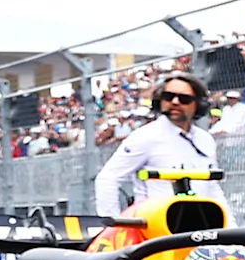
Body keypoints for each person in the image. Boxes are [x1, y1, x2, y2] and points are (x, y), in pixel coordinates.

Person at [93, 73, 219, 218]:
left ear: (199, 104)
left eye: (184, 99)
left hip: (198, 225)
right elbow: (108, 178)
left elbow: (212, 188)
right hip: (156, 229)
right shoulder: (145, 136)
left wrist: (230, 234)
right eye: (168, 96)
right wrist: (115, 226)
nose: (175, 102)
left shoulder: (205, 140)